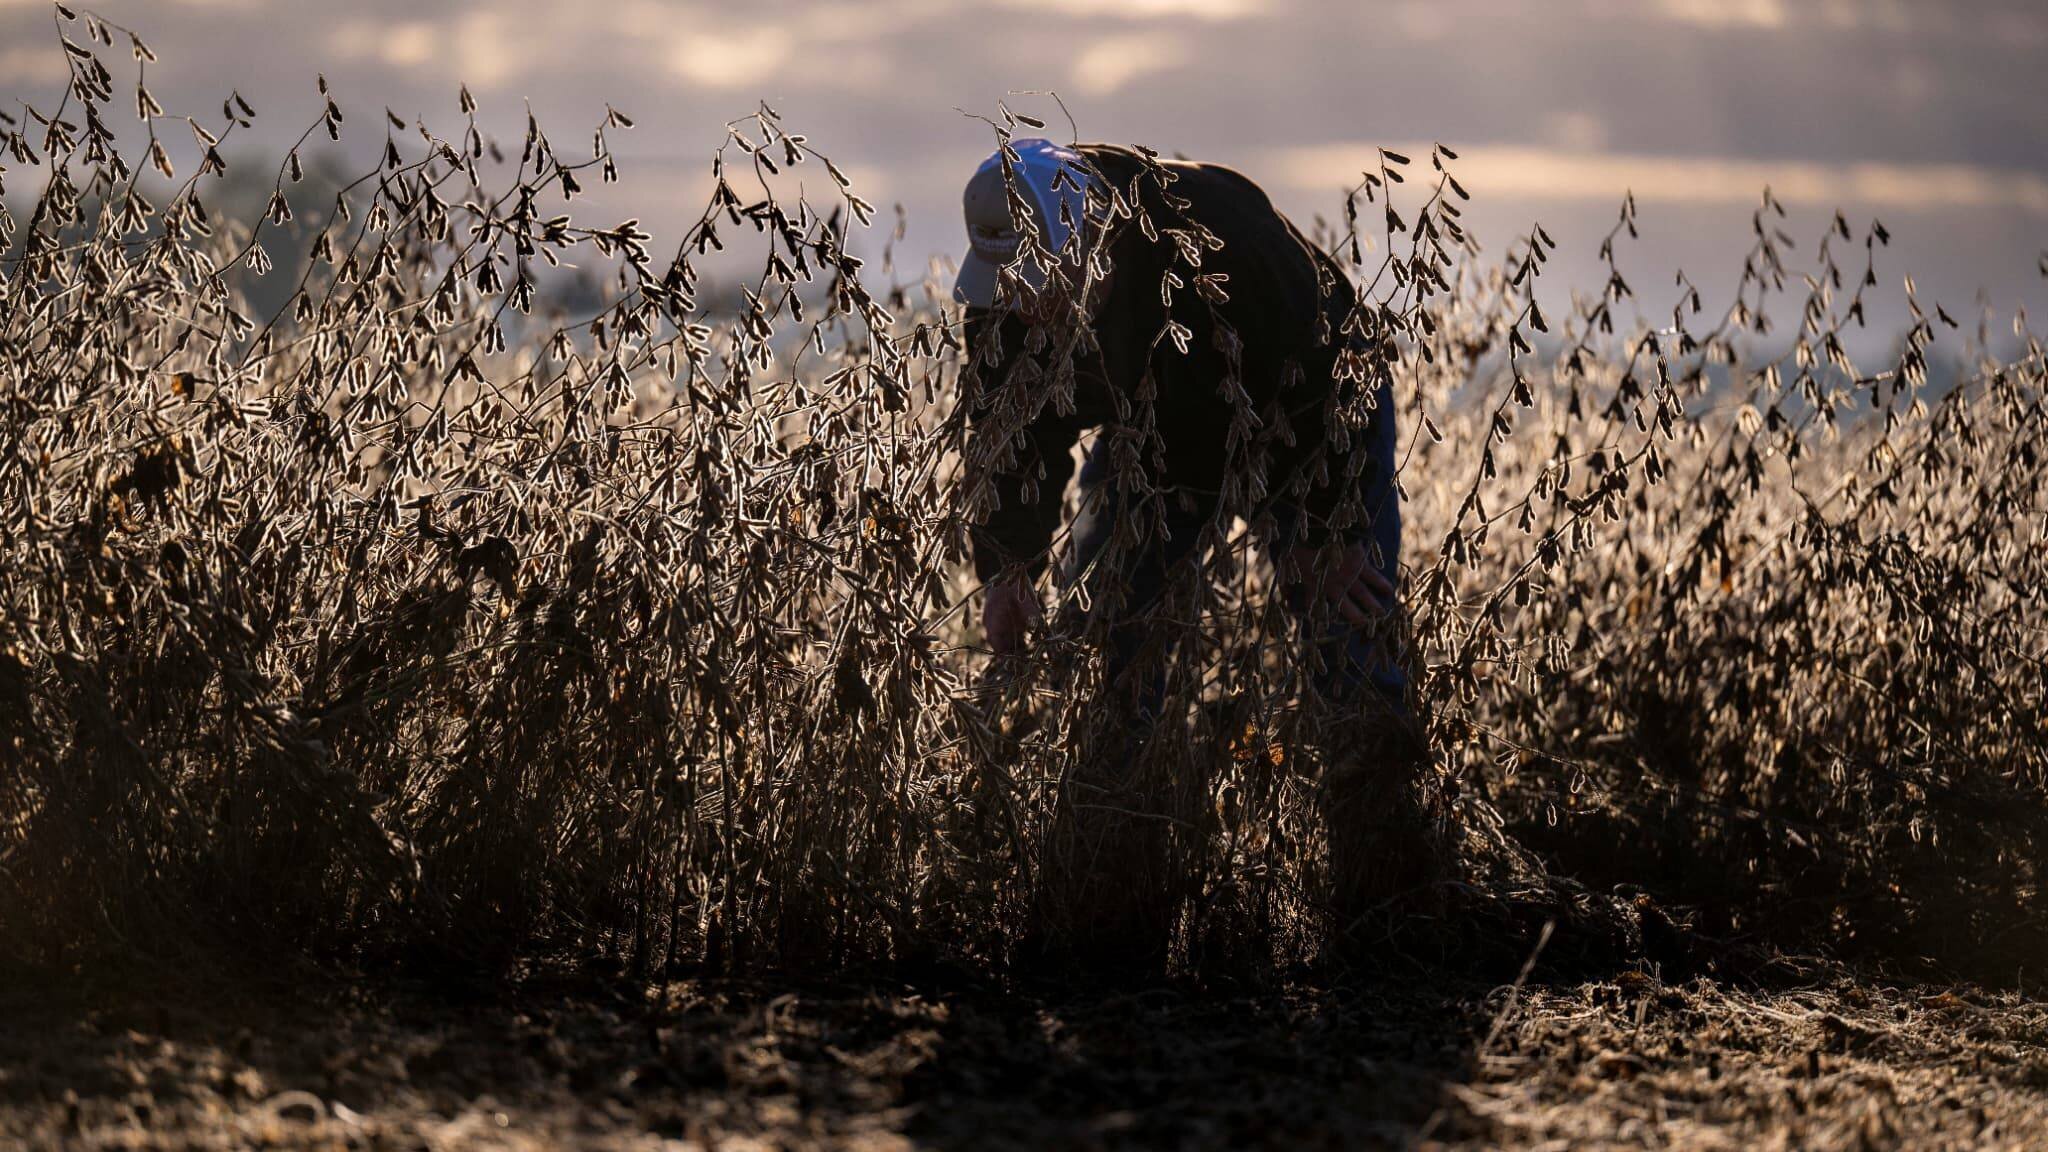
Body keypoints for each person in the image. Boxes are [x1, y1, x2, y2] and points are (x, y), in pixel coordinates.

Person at [954, 138, 1408, 716]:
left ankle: (1375, 783)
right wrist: (1008, 565)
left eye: (1040, 279)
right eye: (1010, 286)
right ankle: (1121, 795)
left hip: (1308, 420)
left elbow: (1335, 374)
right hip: (1159, 441)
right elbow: (1011, 439)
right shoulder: (1004, 304)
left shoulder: (1221, 239)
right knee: (1104, 634)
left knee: (1348, 631)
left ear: (1095, 236)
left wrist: (1329, 534)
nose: (1024, 305)